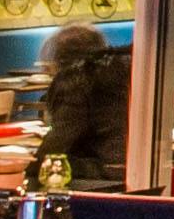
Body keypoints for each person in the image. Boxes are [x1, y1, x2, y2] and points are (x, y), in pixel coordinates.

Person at [41, 21, 128, 191]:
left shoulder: (77, 80)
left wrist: (22, 168)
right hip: (129, 170)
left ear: (59, 60)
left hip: (101, 179)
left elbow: (54, 149)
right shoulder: (122, 73)